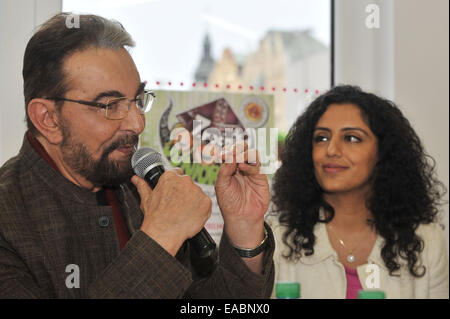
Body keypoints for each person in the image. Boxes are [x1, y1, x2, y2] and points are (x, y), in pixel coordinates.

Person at [0, 13, 274, 298]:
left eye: (138, 100)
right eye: (111, 105)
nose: (137, 123)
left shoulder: (137, 185)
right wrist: (161, 238)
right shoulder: (8, 220)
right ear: (48, 119)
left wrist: (245, 230)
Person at [267, 85, 449, 299]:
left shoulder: (426, 243)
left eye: (352, 138)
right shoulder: (278, 237)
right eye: (321, 138)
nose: (331, 150)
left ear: (383, 154)